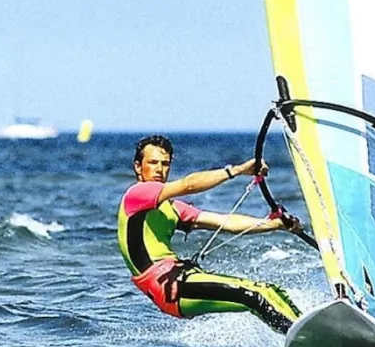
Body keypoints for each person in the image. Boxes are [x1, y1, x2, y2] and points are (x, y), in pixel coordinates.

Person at [117, 134, 302, 335]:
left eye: (165, 163)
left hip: (183, 279)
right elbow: (188, 185)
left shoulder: (173, 209)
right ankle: (306, 338)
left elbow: (226, 222)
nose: (160, 169)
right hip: (169, 287)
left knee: (270, 291)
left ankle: (310, 327)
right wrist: (237, 170)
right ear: (138, 166)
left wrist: (273, 224)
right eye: (153, 163)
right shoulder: (137, 195)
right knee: (256, 294)